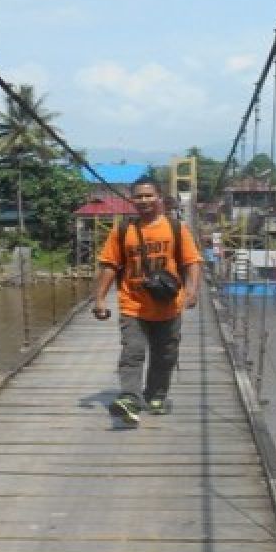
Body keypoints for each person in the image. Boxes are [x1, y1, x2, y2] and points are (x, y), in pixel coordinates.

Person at [92, 178, 202, 424]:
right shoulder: (122, 231)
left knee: (165, 355)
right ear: (132, 200)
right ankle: (130, 397)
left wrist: (193, 290)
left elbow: (191, 261)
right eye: (138, 196)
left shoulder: (176, 228)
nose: (143, 201)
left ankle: (156, 394)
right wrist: (99, 298)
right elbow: (110, 265)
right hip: (133, 304)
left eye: (148, 195)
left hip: (168, 306)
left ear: (159, 197)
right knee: (133, 351)